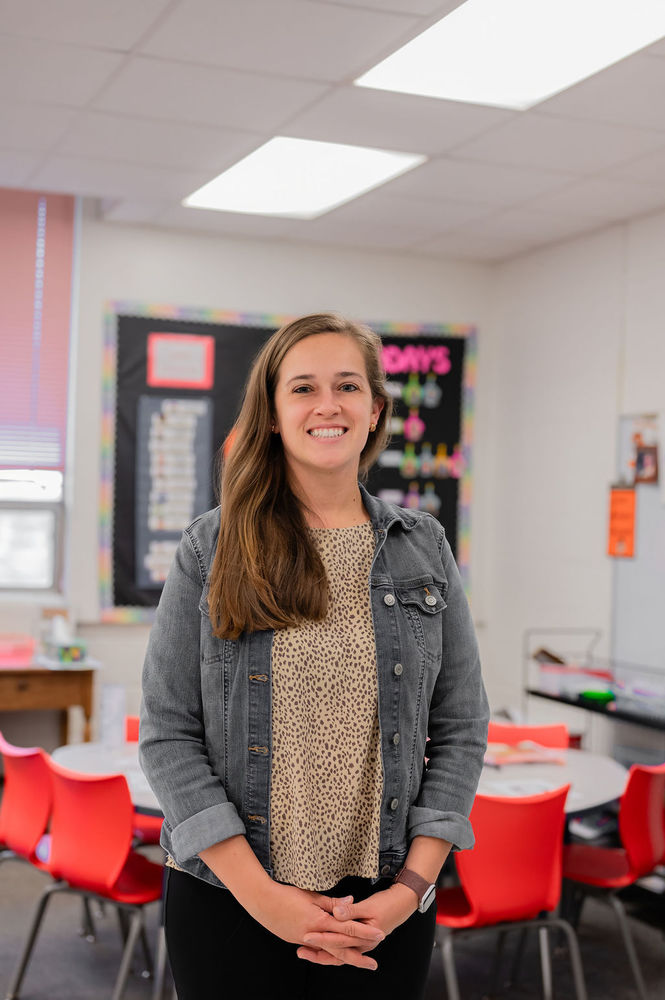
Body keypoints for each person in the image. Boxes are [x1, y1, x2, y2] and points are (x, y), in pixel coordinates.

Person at [140, 313, 489, 1000]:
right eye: (302, 388)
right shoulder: (211, 548)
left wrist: (411, 890)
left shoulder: (425, 548)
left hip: (383, 910)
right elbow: (168, 735)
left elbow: (460, 730)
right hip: (230, 902)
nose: (327, 405)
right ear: (271, 414)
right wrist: (265, 898)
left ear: (374, 409)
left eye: (346, 386)